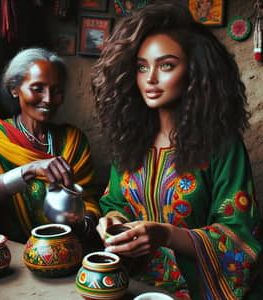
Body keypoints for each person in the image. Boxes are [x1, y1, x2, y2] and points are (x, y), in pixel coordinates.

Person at [92, 1, 263, 299]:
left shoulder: (222, 146)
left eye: (166, 65)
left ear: (195, 71)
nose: (151, 79)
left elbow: (240, 237)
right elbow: (114, 202)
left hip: (201, 289)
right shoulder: (130, 139)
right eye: (142, 66)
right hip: (134, 285)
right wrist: (114, 222)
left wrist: (166, 235)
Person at [0, 47, 101, 245]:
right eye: (37, 88)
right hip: (10, 252)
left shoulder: (74, 141)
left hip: (65, 251)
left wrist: (82, 224)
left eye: (57, 91)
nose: (48, 99)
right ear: (14, 88)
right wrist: (28, 170)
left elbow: (87, 199)